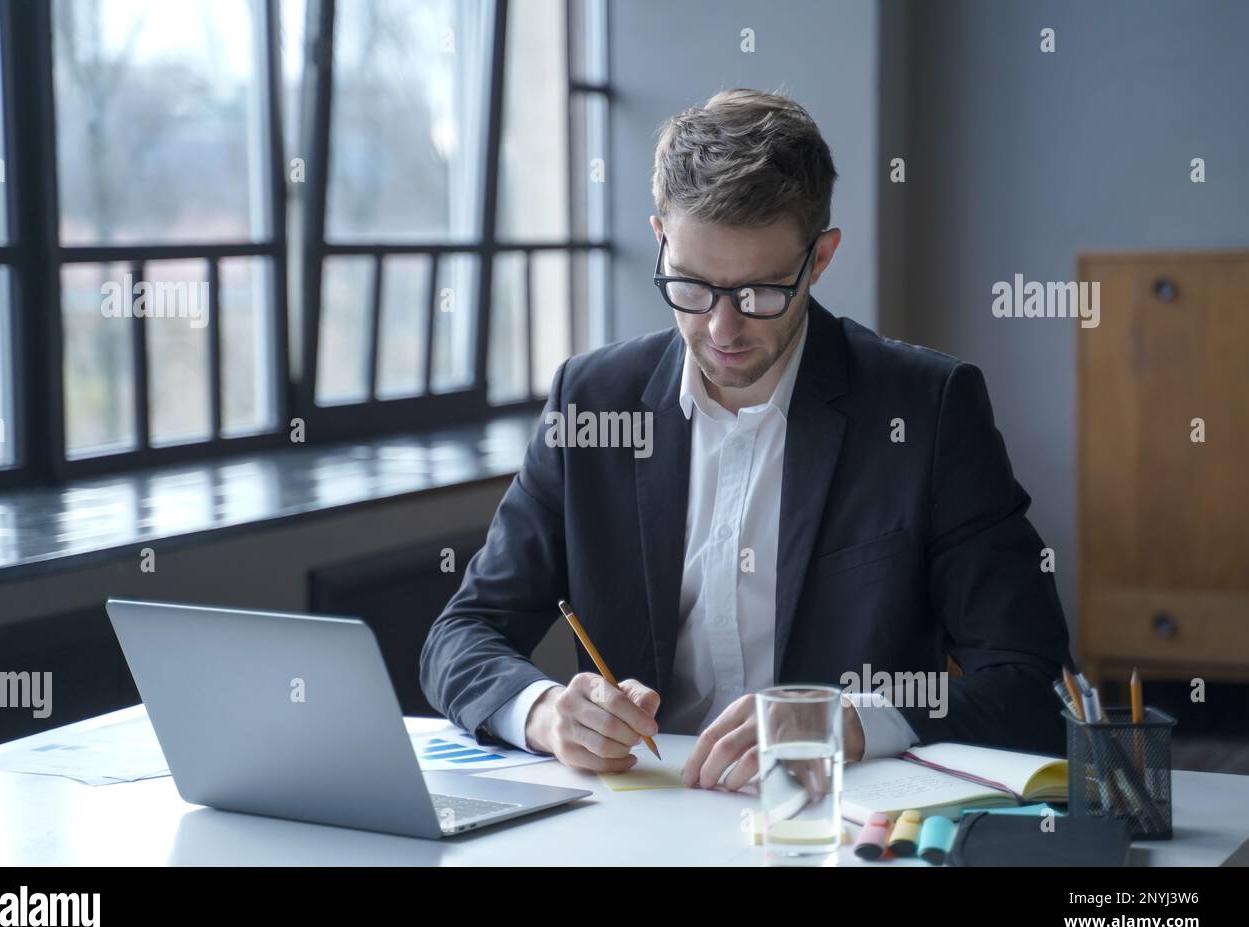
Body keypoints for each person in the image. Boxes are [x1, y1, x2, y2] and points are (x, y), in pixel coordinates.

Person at [421, 88, 1070, 791]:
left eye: (760, 293)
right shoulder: (592, 403)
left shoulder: (928, 409)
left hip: (832, 816)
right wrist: (544, 711)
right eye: (691, 286)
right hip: (640, 810)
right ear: (660, 237)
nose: (721, 330)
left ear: (820, 259)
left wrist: (849, 722)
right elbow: (462, 634)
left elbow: (1032, 681)